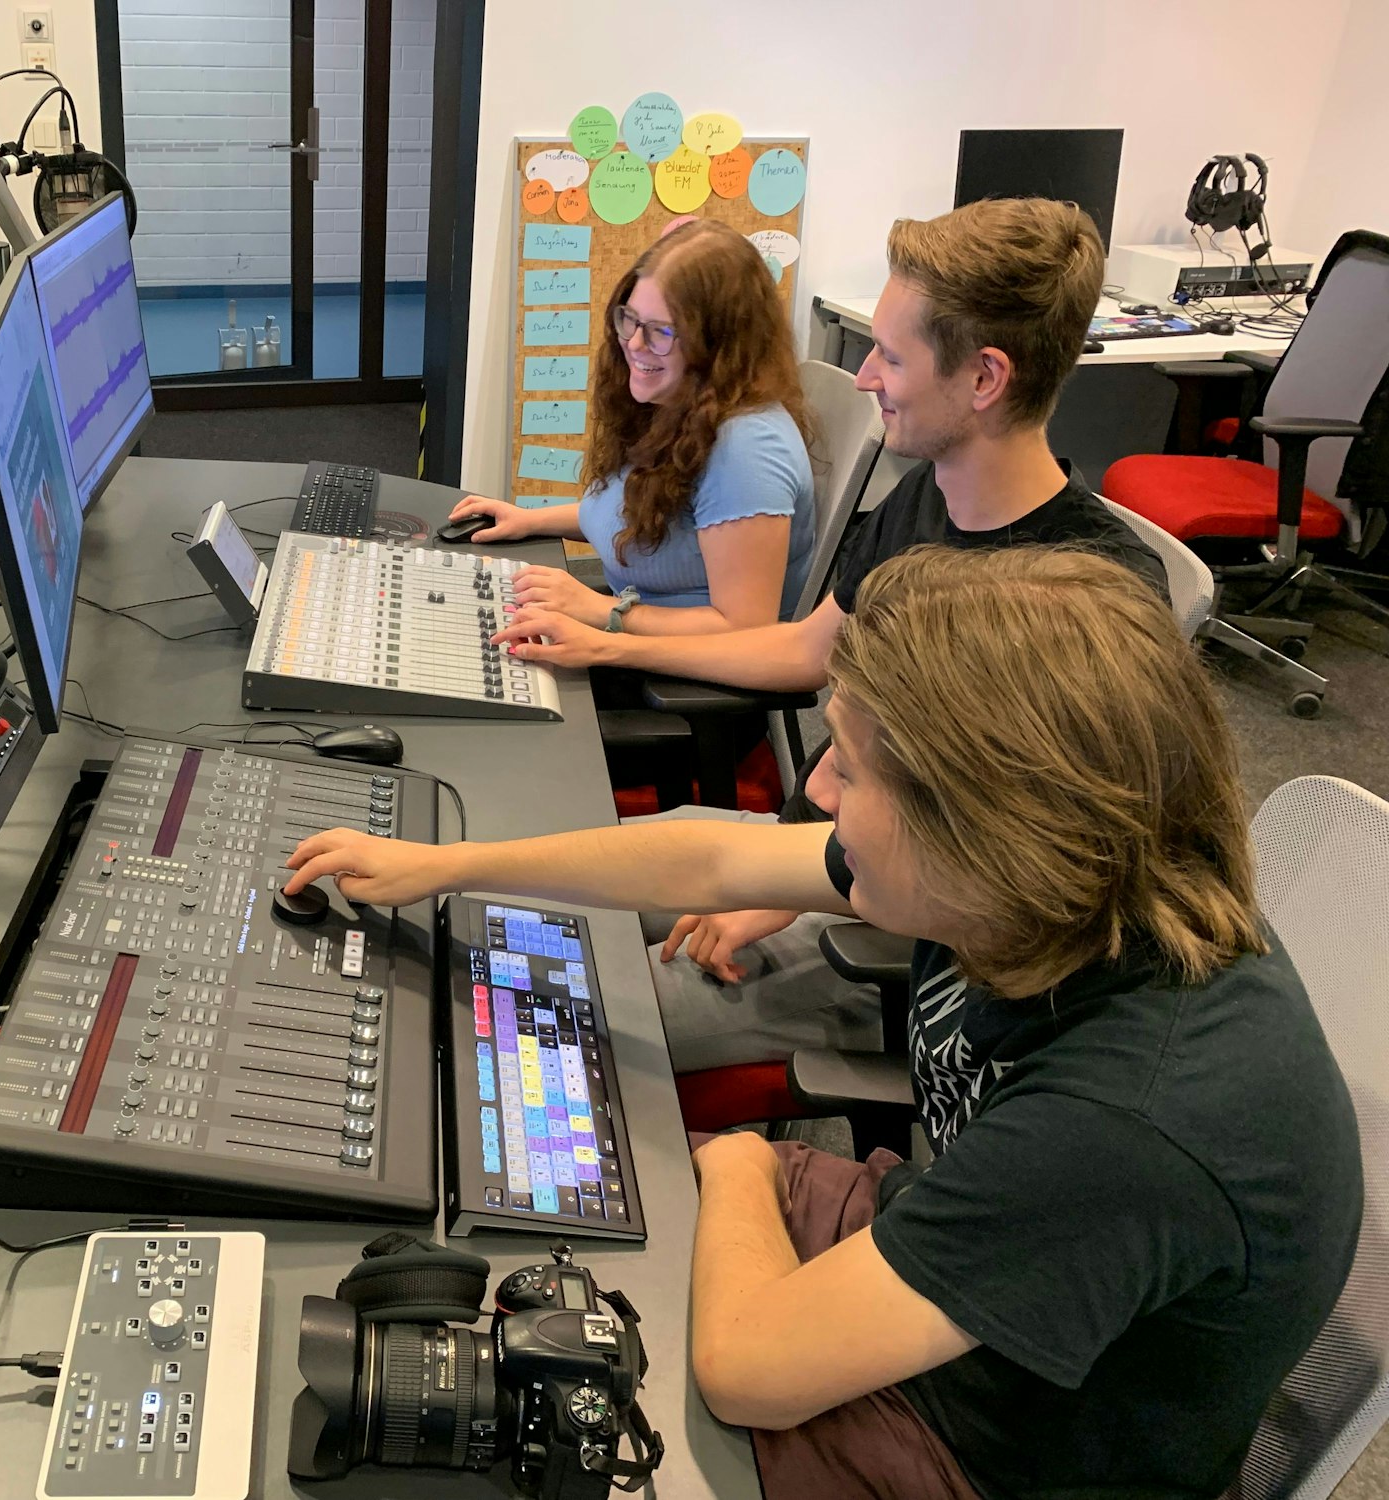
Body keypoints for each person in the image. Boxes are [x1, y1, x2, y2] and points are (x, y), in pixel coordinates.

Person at [284, 545, 1363, 1500]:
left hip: (991, 1453)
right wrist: (446, 869)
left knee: (553, 1412)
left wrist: (748, 1167)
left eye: (850, 763)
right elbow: (706, 857)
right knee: (580, 1205)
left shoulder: (1126, 1121)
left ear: (989, 827)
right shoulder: (1039, 883)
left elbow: (746, 1367)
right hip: (959, 1263)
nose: (816, 784)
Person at [491, 198, 1169, 1075]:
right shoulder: (925, 502)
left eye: (890, 356)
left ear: (985, 379)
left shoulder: (1094, 603)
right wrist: (615, 642)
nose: (862, 379)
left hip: (920, 949)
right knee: (534, 896)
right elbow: (804, 651)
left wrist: (789, 887)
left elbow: (1023, 881)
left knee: (557, 1020)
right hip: (825, 851)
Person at [447, 220, 817, 634]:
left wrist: (602, 610)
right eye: (632, 320)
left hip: (687, 676)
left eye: (661, 332)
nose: (635, 345)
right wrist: (530, 520)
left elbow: (745, 628)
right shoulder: (679, 402)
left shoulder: (748, 448)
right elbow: (639, 515)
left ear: (720, 345)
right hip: (637, 623)